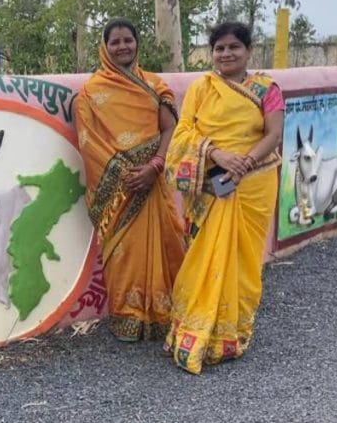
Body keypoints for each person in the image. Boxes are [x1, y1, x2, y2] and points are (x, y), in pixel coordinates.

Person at [163, 21, 285, 375]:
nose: (226, 54)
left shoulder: (266, 88)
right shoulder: (203, 87)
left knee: (243, 259)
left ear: (248, 50)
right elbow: (185, 131)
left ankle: (230, 336)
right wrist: (216, 154)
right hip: (213, 181)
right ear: (212, 52)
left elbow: (274, 133)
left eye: (234, 47)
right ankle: (192, 332)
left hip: (254, 182)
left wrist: (245, 162)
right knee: (204, 254)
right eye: (219, 48)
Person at [74, 19, 187, 342]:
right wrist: (127, 176)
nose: (123, 47)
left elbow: (169, 129)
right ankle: (129, 318)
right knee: (126, 254)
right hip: (122, 191)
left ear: (138, 43)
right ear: (105, 47)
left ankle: (164, 317)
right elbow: (90, 143)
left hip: (153, 182)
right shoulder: (91, 94)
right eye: (115, 42)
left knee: (167, 245)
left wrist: (155, 165)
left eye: (128, 40)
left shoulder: (154, 85)